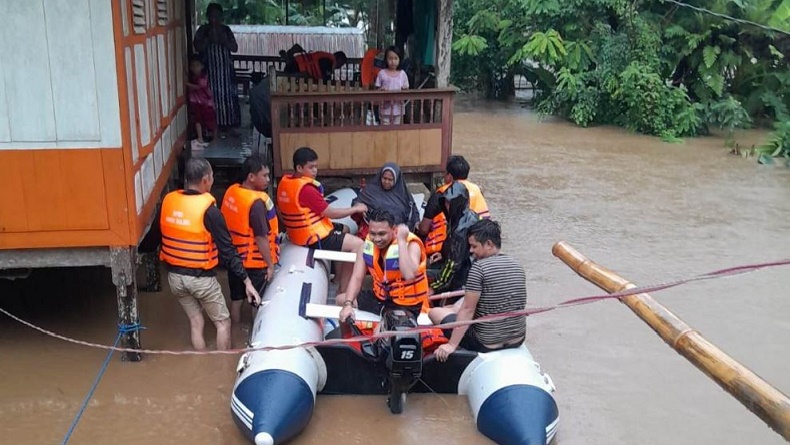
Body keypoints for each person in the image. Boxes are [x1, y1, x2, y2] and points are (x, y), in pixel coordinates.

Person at [157, 157, 261, 351]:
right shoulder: (210, 212)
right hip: (201, 280)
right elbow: (228, 251)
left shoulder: (168, 202)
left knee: (196, 321)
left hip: (175, 279)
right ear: (206, 179)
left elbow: (154, 239)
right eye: (212, 176)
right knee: (223, 323)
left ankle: (202, 361)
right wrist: (246, 281)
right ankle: (221, 364)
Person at [430, 219, 527, 360]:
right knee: (456, 308)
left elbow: (468, 310)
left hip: (486, 342)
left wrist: (451, 345)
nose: (471, 251)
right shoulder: (517, 265)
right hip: (517, 339)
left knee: (435, 312)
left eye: (474, 246)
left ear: (488, 244)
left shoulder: (479, 268)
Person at [276, 147, 367, 293]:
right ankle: (344, 290)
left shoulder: (285, 183)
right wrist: (355, 209)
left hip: (298, 233)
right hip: (312, 237)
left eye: (316, 167)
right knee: (358, 245)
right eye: (311, 167)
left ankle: (337, 278)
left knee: (345, 229)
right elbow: (331, 213)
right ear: (299, 168)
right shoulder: (307, 190)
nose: (315, 171)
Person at [337, 209, 429, 322]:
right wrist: (348, 304)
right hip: (381, 298)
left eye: (382, 234)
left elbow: (409, 274)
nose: (377, 239)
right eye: (372, 234)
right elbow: (357, 277)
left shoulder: (412, 245)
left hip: (406, 304)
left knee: (385, 327)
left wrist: (401, 241)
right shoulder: (366, 247)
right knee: (341, 300)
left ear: (394, 230)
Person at [221, 155, 279, 327]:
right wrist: (270, 265)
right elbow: (261, 237)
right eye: (265, 175)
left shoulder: (232, 192)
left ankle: (237, 331)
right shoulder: (257, 204)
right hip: (254, 263)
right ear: (251, 177)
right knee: (256, 301)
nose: (268, 179)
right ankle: (253, 334)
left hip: (235, 259)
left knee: (237, 299)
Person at [418, 155, 491, 256]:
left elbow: (423, 229)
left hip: (445, 250)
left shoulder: (440, 195)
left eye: (445, 173)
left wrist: (417, 225)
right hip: (478, 247)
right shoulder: (477, 190)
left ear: (450, 176)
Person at [193, 3, 240, 137]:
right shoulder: (203, 30)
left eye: (217, 16)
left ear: (221, 17)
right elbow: (197, 47)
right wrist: (208, 38)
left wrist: (223, 40)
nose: (214, 19)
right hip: (209, 73)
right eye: (212, 15)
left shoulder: (226, 30)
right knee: (210, 99)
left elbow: (234, 48)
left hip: (225, 74)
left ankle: (229, 126)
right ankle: (212, 127)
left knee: (228, 99)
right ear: (208, 16)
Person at [427, 181, 480, 296]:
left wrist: (434, 287)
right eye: (445, 202)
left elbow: (452, 267)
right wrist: (444, 253)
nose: (447, 206)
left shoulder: (460, 230)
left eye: (449, 203)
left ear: (458, 204)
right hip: (467, 266)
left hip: (463, 275)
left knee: (421, 274)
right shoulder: (469, 216)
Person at [354, 162, 419, 238]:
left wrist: (415, 224)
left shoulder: (403, 194)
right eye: (384, 178)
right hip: (374, 233)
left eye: (390, 179)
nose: (386, 182)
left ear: (396, 179)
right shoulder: (370, 190)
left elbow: (413, 211)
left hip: (397, 234)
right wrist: (358, 206)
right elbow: (357, 202)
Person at [186, 54, 216, 146]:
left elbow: (199, 87)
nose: (195, 68)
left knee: (210, 121)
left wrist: (186, 84)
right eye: (192, 66)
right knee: (197, 120)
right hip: (197, 103)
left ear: (202, 66)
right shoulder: (192, 77)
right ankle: (200, 138)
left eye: (197, 65)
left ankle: (214, 137)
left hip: (206, 104)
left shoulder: (203, 77)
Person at [375, 46, 410, 125]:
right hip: (385, 109)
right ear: (386, 59)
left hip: (398, 109)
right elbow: (377, 90)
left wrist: (404, 90)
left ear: (399, 59)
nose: (393, 61)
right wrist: (381, 90)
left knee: (397, 129)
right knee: (385, 129)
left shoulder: (402, 74)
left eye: (395, 58)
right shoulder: (382, 73)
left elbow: (406, 89)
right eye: (390, 59)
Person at [280, 44, 348, 83]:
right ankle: (288, 60)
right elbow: (326, 79)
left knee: (286, 77)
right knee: (307, 77)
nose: (340, 67)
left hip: (295, 62)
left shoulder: (327, 57)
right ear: (339, 60)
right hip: (299, 69)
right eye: (341, 64)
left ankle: (288, 59)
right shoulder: (329, 61)